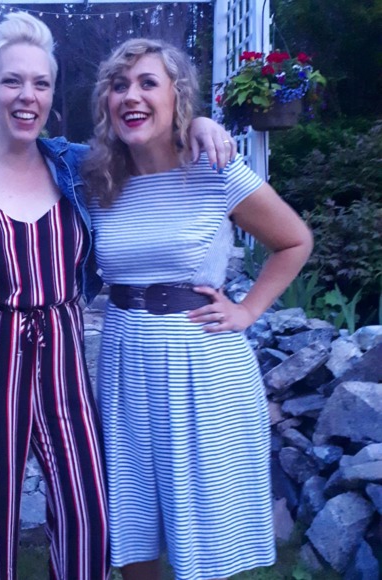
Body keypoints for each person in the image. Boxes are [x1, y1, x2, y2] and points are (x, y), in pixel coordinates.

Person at [0, 13, 237, 580]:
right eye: (12, 81)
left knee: (88, 516)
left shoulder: (78, 165)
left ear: (52, 94)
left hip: (61, 352)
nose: (26, 96)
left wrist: (199, 121)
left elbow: (148, 136)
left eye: (41, 83)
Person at [83, 38, 313, 580]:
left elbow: (294, 240)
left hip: (200, 365)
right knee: (132, 510)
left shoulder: (216, 168)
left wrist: (247, 311)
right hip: (124, 363)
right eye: (119, 85)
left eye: (148, 83)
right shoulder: (98, 179)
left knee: (204, 519)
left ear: (177, 96)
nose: (131, 96)